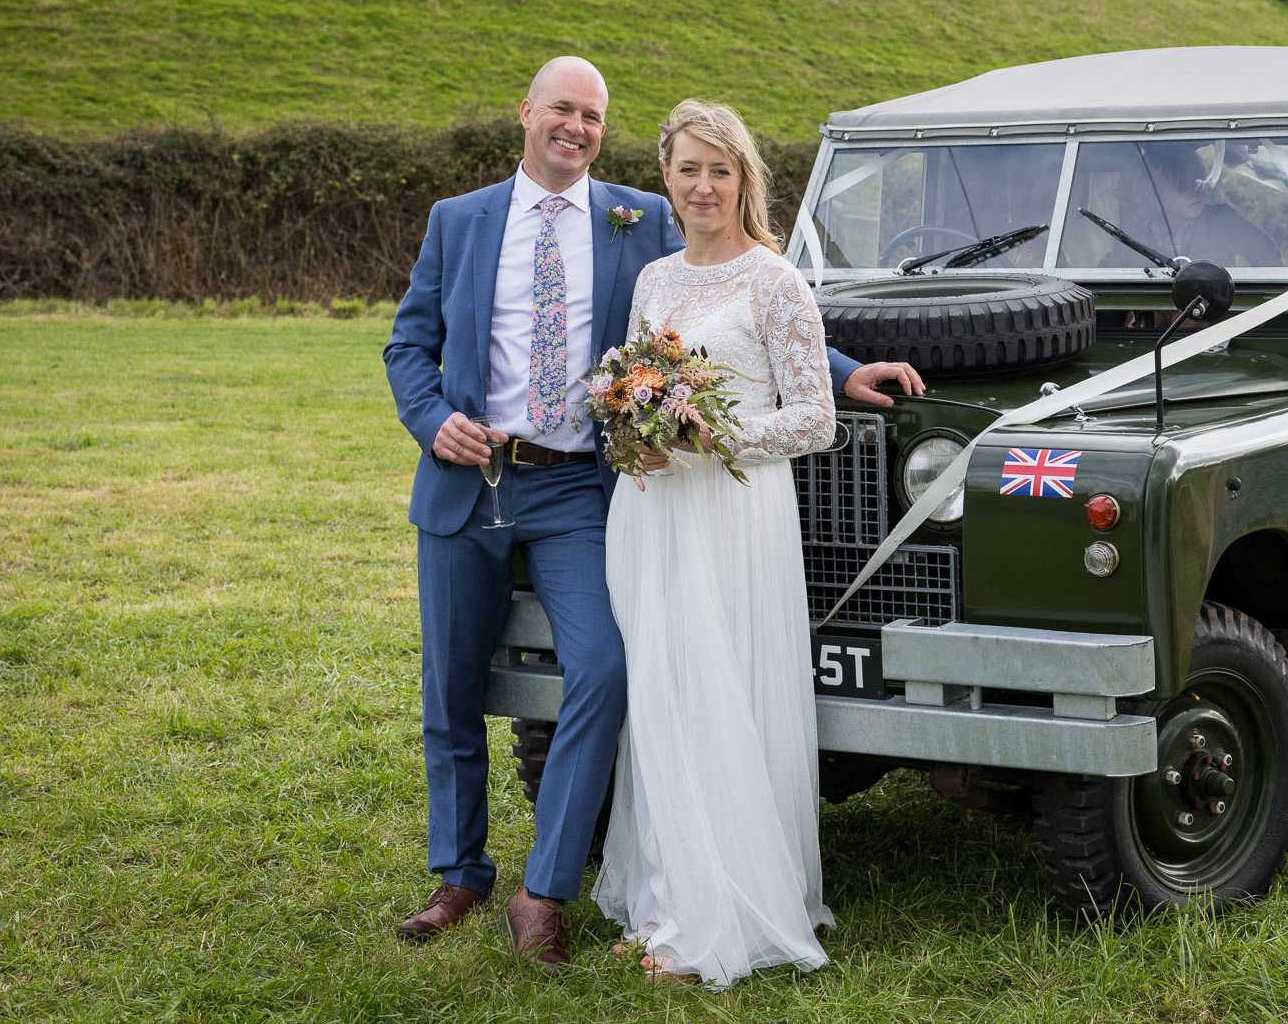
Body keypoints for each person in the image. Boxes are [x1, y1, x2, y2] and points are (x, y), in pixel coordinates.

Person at [382, 58, 923, 971]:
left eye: (592, 115)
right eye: (562, 109)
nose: (576, 126)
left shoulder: (633, 216)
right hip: (468, 486)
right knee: (451, 690)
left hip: (575, 489)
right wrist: (435, 423)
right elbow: (408, 343)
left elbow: (739, 296)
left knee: (604, 667)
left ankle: (542, 890)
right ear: (527, 113)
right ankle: (458, 872)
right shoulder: (458, 220)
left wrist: (844, 369)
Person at [590, 99, 836, 986]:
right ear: (667, 177)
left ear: (745, 181)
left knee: (721, 692)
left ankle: (720, 916)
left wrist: (711, 438)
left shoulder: (775, 281)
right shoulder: (654, 278)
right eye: (688, 169)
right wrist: (637, 431)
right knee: (660, 692)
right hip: (652, 509)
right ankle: (665, 899)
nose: (703, 186)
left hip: (733, 516)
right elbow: (630, 385)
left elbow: (816, 418)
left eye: (719, 170)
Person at [1142, 141, 1283, 269]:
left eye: (1199, 182)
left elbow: (1271, 261)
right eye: (1182, 186)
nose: (1195, 192)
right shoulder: (1130, 224)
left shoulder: (1223, 221)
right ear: (1155, 191)